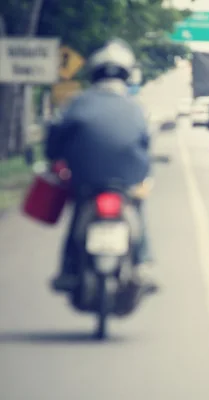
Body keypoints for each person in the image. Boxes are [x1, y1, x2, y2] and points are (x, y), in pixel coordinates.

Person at [45, 39, 157, 293]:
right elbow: (147, 143)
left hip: (86, 179)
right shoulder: (136, 107)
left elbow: (56, 139)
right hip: (126, 180)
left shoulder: (78, 103)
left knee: (77, 217)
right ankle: (142, 264)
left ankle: (67, 269)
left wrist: (54, 159)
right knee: (138, 211)